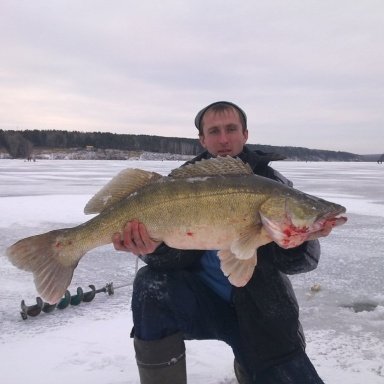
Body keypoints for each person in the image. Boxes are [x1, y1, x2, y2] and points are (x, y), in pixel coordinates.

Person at [113, 101, 329, 384]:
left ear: (245, 134)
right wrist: (152, 249)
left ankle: (250, 365)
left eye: (231, 129)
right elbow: (171, 260)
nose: (224, 139)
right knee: (150, 283)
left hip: (262, 314)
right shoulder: (177, 186)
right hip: (199, 303)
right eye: (214, 131)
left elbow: (306, 261)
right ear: (202, 139)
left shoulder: (271, 185)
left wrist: (296, 242)